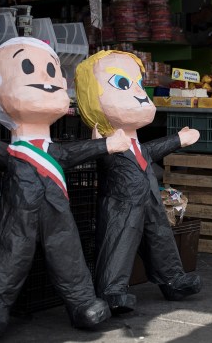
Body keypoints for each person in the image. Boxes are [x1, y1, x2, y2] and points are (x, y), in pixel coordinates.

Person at [0, 37, 131, 337]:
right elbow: (6, 155)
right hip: (18, 212)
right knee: (8, 254)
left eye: (52, 70)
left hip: (57, 212)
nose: (46, 79)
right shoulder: (18, 151)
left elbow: (72, 153)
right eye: (27, 68)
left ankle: (82, 303)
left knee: (69, 255)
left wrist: (105, 144)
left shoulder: (53, 150)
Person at [75, 50, 202, 314]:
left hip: (149, 198)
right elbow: (98, 155)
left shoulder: (134, 142)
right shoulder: (108, 141)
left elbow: (149, 152)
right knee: (118, 244)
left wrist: (178, 139)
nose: (137, 92)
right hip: (122, 203)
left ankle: (173, 280)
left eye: (138, 84)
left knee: (161, 238)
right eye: (122, 84)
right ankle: (112, 290)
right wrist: (100, 145)